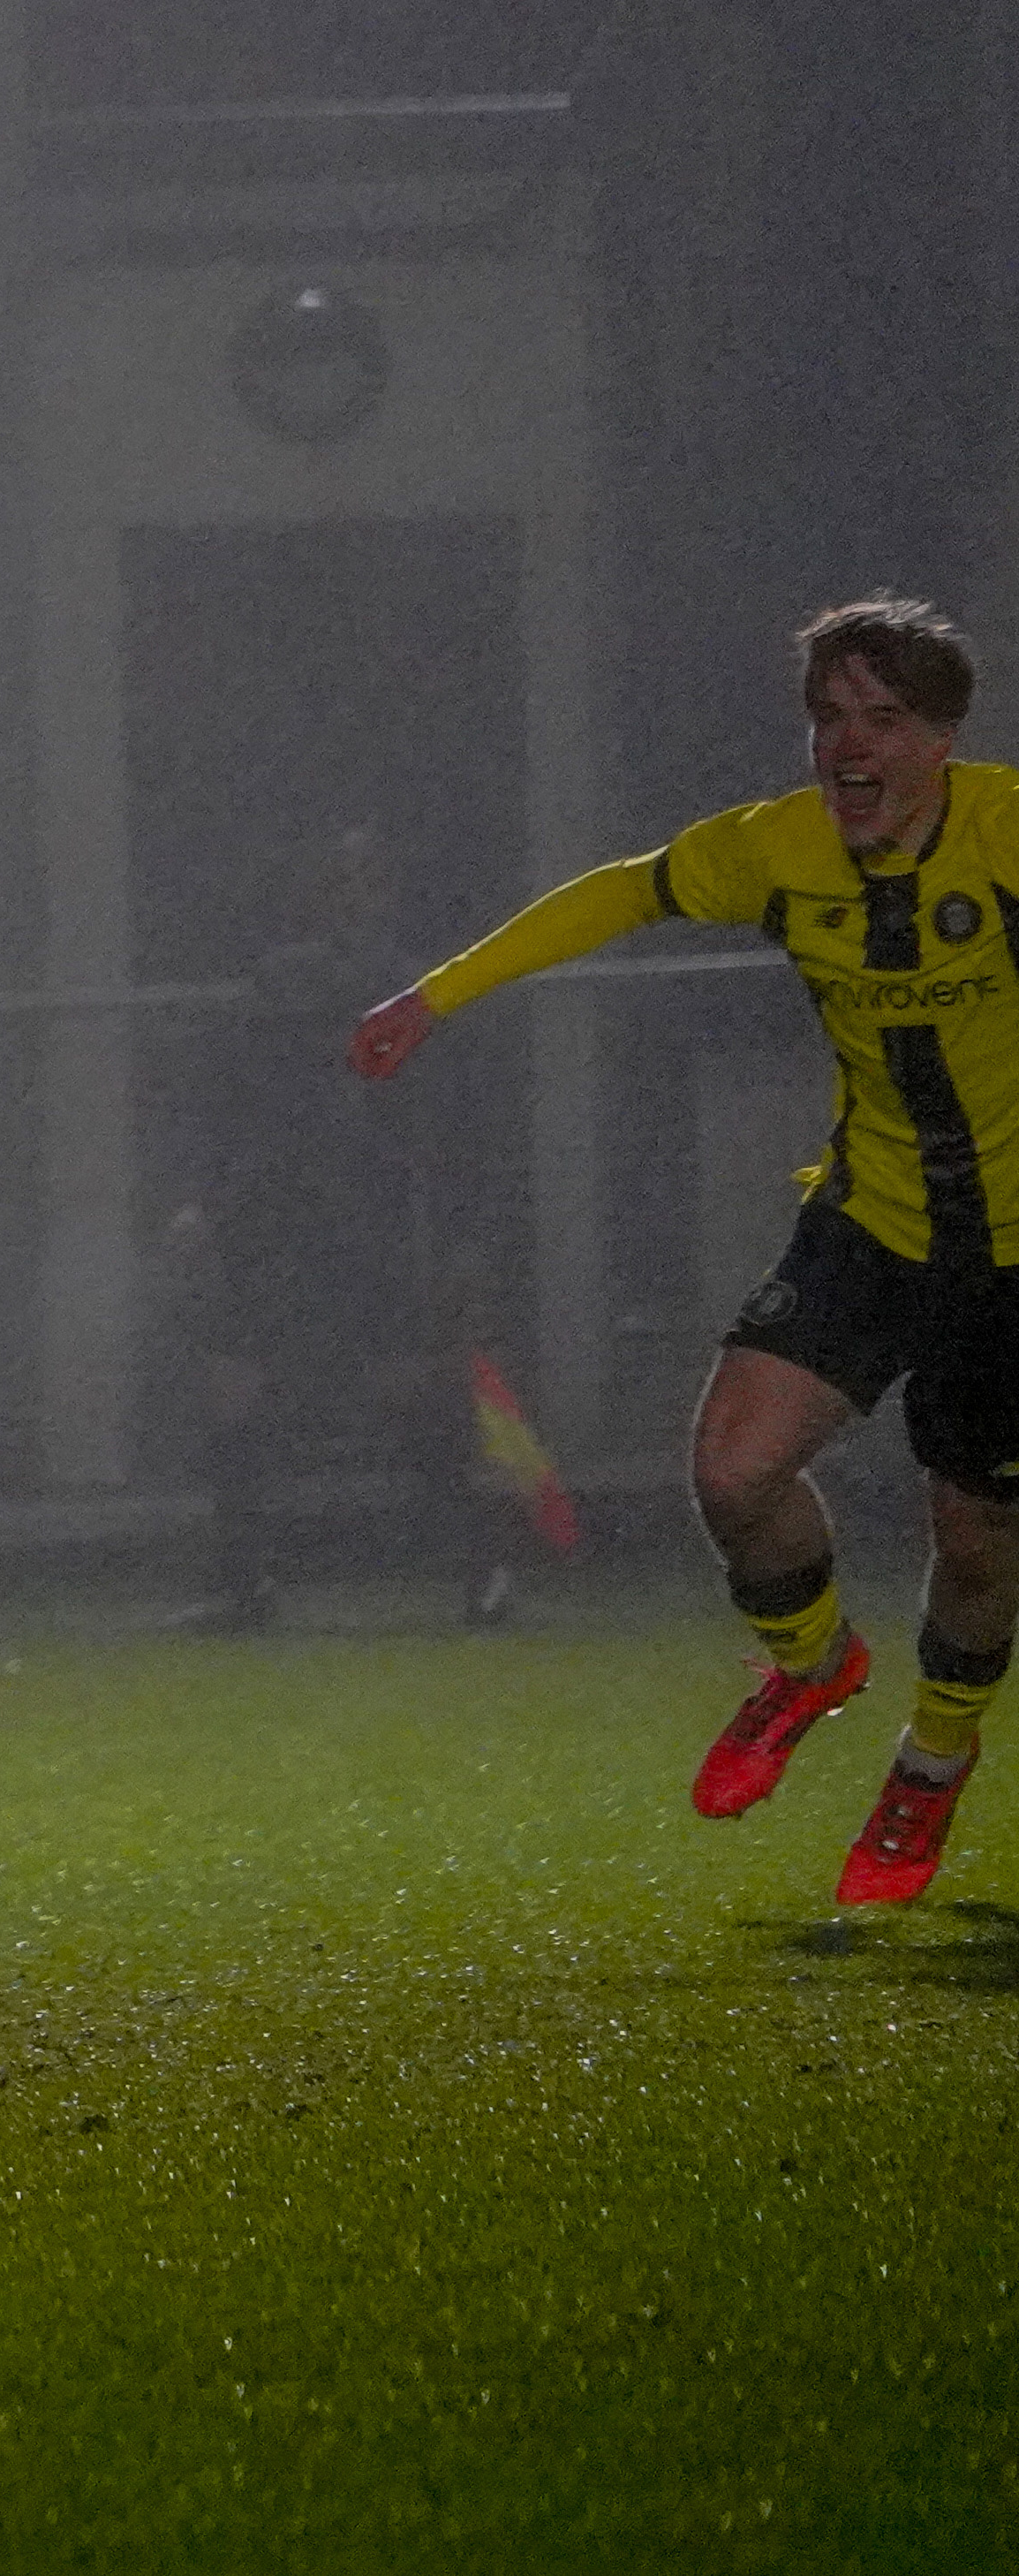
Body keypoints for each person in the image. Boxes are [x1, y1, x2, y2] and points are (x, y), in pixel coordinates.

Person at [352, 595, 1016, 1905]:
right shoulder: (776, 847)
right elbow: (616, 895)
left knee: (978, 1540)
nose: (846, 745)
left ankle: (930, 1764)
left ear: (942, 737)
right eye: (827, 718)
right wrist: (432, 995)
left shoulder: (1003, 830)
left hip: (1008, 1255)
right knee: (729, 1470)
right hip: (871, 1222)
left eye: (881, 717)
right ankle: (810, 1660)